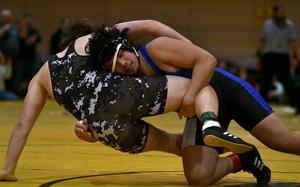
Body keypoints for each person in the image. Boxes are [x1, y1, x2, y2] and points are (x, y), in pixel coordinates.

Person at [0, 19, 270, 185]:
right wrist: (188, 45)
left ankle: (223, 151)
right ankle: (210, 122)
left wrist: (8, 169)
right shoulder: (92, 40)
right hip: (121, 94)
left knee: (171, 144)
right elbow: (149, 25)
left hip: (103, 128)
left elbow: (24, 123)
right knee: (196, 87)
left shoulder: (41, 75)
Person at [257, 3, 300, 114]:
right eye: (281, 10)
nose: (283, 12)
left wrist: (294, 57)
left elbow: (294, 42)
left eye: (284, 10)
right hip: (269, 56)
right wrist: (259, 56)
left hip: (283, 57)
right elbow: (262, 41)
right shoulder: (267, 24)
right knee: (264, 82)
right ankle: (260, 108)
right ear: (275, 12)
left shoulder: (290, 25)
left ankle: (298, 106)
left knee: (288, 82)